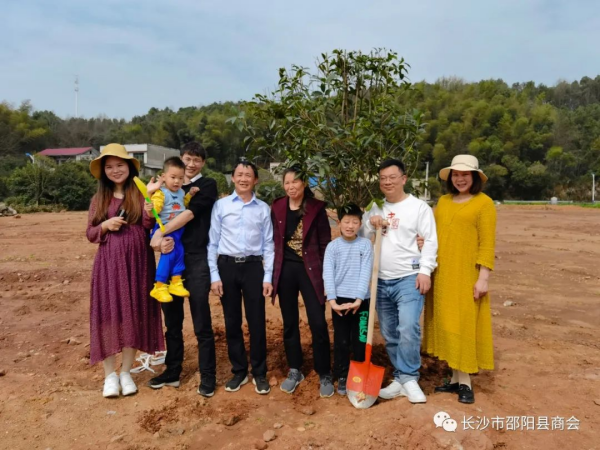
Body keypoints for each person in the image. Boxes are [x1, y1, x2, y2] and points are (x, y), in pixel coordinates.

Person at [86, 143, 164, 398]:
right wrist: (106, 225)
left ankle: (126, 372)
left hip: (139, 262)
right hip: (109, 263)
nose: (115, 170)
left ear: (129, 167)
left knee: (133, 312)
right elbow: (90, 233)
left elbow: (147, 224)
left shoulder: (140, 193)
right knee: (109, 314)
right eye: (109, 167)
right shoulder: (99, 199)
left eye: (120, 165)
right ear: (103, 171)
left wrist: (150, 206)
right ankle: (109, 375)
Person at [362, 158, 438, 404]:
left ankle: (409, 377)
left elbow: (430, 240)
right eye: (383, 178)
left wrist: (425, 270)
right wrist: (370, 225)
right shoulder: (374, 208)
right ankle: (401, 378)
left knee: (408, 327)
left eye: (392, 177)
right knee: (389, 332)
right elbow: (363, 238)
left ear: (403, 179)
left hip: (408, 278)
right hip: (380, 281)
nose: (387, 182)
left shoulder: (419, 208)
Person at [146, 142, 218, 398]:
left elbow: (188, 215)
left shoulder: (206, 186)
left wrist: (160, 234)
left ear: (202, 163)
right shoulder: (165, 188)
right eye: (188, 158)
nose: (191, 163)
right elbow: (152, 215)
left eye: (197, 159)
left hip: (196, 258)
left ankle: (208, 374)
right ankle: (173, 370)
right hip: (170, 255)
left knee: (201, 320)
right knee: (172, 321)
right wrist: (156, 240)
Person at [423, 154, 496, 404]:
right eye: (456, 174)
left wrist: (483, 277)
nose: (460, 179)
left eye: (465, 175)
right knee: (447, 324)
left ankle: (465, 383)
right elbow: (432, 234)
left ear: (475, 177)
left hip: (466, 275)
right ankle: (454, 379)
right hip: (441, 274)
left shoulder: (484, 204)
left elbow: (487, 244)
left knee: (462, 325)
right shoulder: (442, 202)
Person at [208, 160, 274, 395]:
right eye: (239, 174)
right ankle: (239, 371)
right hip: (227, 267)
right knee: (231, 321)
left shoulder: (263, 208)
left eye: (248, 175)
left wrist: (268, 277)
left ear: (255, 180)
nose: (244, 178)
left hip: (254, 268)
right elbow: (212, 243)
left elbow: (269, 245)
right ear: (233, 178)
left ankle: (259, 372)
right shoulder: (221, 206)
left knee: (257, 321)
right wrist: (214, 276)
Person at [271, 167, 333, 397]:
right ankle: (295, 368)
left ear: (304, 184)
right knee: (290, 322)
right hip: (286, 270)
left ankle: (324, 371)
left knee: (317, 321)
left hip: (311, 270)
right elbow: (273, 242)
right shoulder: (277, 207)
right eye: (287, 183)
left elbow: (325, 243)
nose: (291, 187)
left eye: (295, 182)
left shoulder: (316, 209)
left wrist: (327, 275)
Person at [323, 203, 373, 396]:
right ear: (339, 223)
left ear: (360, 224)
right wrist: (333, 301)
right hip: (340, 302)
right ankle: (342, 374)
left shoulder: (365, 245)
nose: (350, 226)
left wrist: (359, 298)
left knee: (360, 339)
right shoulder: (332, 247)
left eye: (355, 222)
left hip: (361, 301)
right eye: (346, 221)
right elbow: (328, 273)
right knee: (341, 340)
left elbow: (365, 273)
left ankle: (359, 374)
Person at [146, 157, 199, 303]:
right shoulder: (161, 193)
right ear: (163, 177)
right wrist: (150, 207)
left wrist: (190, 195)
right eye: (173, 177)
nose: (177, 181)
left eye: (180, 178)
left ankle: (176, 282)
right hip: (165, 228)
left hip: (177, 230)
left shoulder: (181, 192)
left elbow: (182, 204)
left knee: (179, 252)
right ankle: (159, 286)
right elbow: (153, 211)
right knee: (168, 255)